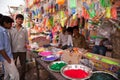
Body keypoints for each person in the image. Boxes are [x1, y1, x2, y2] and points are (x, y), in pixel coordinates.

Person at [9, 14, 29, 80]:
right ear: (16, 19)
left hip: (22, 50)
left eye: (21, 19)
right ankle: (14, 77)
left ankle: (22, 78)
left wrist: (27, 44)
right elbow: (9, 40)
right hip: (13, 50)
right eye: (19, 19)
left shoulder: (24, 29)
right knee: (13, 65)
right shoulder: (11, 29)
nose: (20, 20)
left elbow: (27, 40)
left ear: (23, 21)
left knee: (23, 65)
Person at [0, 15, 19, 80]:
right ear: (5, 23)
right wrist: (8, 59)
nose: (11, 25)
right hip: (6, 58)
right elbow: (1, 48)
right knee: (15, 76)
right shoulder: (1, 31)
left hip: (7, 57)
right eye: (10, 24)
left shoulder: (5, 31)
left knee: (7, 75)